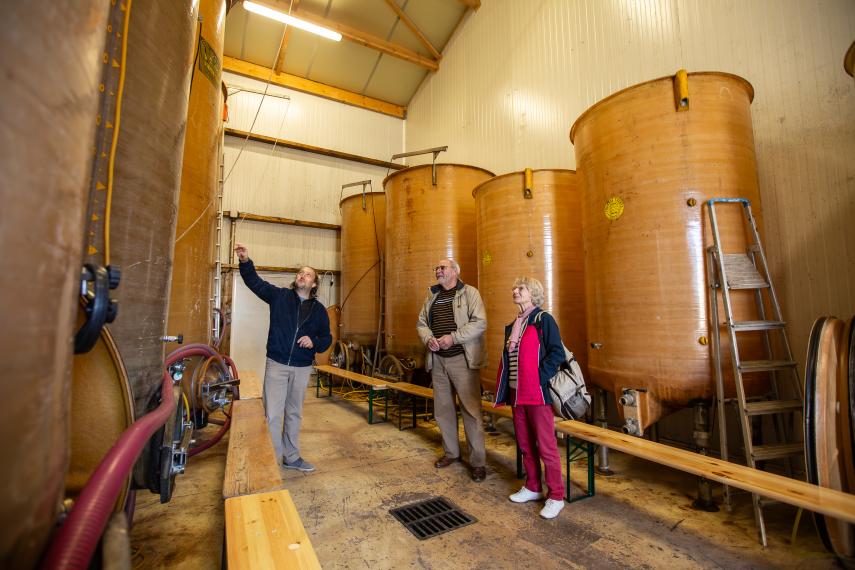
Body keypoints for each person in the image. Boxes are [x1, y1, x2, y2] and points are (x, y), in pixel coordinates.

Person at [235, 242, 332, 473]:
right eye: (300, 273)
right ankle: (271, 461)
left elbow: (326, 338)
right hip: (277, 364)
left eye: (307, 274)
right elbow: (255, 283)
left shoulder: (319, 310)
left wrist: (314, 342)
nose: (302, 276)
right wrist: (245, 261)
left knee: (294, 413)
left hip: (301, 367)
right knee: (272, 414)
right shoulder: (279, 297)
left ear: (314, 283)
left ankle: (291, 457)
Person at [494, 277, 566, 519]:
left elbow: (557, 353)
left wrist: (539, 378)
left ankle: (556, 496)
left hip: (537, 394)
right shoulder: (514, 324)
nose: (515, 291)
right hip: (517, 394)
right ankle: (533, 486)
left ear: (533, 293)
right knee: (525, 445)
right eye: (514, 288)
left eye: (520, 288)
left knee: (546, 447)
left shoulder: (543, 320)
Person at [416, 258, 488, 482]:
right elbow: (421, 323)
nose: (438, 270)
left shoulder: (470, 293)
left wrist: (453, 338)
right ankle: (451, 454)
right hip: (438, 360)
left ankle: (478, 463)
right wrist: (429, 339)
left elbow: (480, 322)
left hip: (462, 360)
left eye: (442, 267)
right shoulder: (432, 296)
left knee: (471, 411)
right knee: (443, 410)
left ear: (455, 271)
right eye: (436, 267)